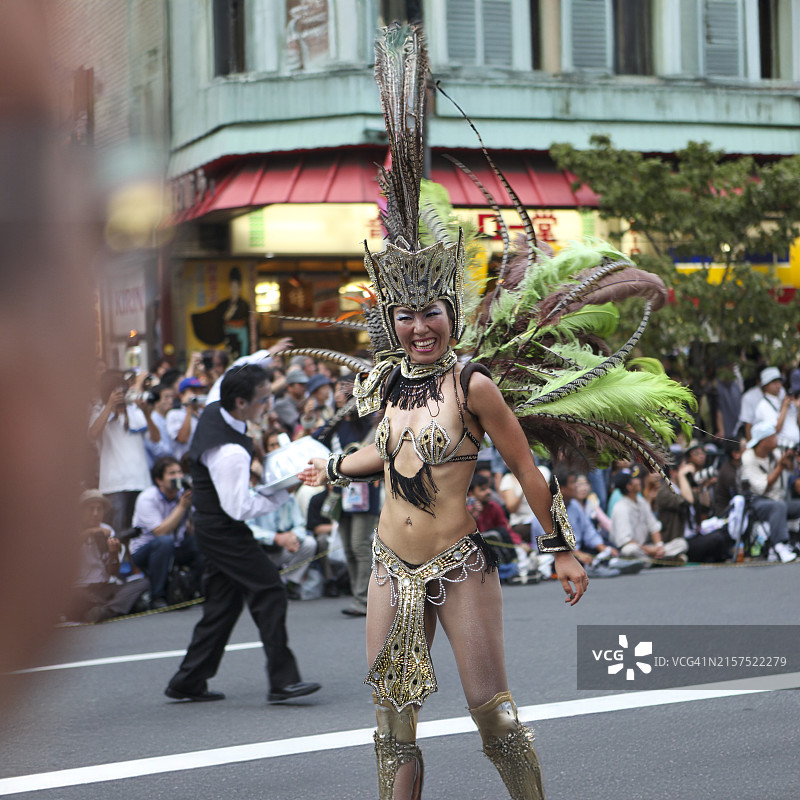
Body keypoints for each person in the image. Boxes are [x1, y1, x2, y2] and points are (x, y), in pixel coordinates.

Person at [166, 365, 321, 703]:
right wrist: (284, 490)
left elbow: (229, 375)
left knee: (223, 605)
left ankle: (188, 680)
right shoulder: (230, 453)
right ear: (239, 402)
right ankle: (283, 680)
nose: (267, 406)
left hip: (213, 525)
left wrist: (269, 356)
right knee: (270, 591)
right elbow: (238, 508)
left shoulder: (213, 408)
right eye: (262, 400)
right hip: (223, 528)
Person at [89, 370, 162, 534]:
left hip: (140, 481)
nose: (120, 395)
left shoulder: (135, 411)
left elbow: (156, 438)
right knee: (117, 533)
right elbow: (93, 433)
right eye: (115, 391)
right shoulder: (99, 411)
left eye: (122, 390)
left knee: (141, 533)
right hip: (114, 485)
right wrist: (109, 405)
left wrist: (146, 413)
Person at [69, 490, 150, 623]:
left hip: (103, 587)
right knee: (73, 595)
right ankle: (116, 607)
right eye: (91, 509)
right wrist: (89, 533)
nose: (95, 514)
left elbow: (113, 572)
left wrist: (113, 553)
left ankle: (106, 610)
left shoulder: (107, 530)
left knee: (143, 583)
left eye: (99, 509)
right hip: (81, 588)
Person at [130, 456, 201, 609]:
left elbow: (193, 529)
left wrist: (191, 511)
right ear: (159, 480)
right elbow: (160, 531)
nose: (178, 477)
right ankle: (157, 597)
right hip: (146, 550)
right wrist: (181, 507)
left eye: (180, 472)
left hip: (174, 546)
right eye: (172, 474)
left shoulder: (184, 494)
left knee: (199, 540)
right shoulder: (147, 498)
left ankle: (199, 589)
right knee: (164, 541)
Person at [738, 420, 799, 563]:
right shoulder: (748, 457)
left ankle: (796, 542)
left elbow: (790, 470)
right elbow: (762, 487)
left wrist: (790, 460)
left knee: (792, 505)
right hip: (757, 502)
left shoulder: (775, 453)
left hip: (778, 500)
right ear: (763, 441)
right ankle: (779, 545)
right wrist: (780, 467)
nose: (776, 440)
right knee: (778, 506)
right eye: (773, 437)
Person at [609, 468, 688, 565]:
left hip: (649, 547)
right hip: (638, 549)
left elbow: (654, 527)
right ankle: (661, 560)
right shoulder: (621, 508)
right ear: (629, 486)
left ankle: (656, 560)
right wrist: (650, 551)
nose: (639, 481)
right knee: (629, 550)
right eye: (635, 479)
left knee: (681, 543)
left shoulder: (641, 501)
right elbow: (626, 542)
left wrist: (659, 547)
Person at [165, 376, 207, 462]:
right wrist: (189, 409)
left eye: (200, 390)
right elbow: (182, 439)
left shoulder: (204, 411)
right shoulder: (174, 414)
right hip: (185, 464)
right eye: (194, 391)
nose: (198, 394)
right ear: (182, 395)